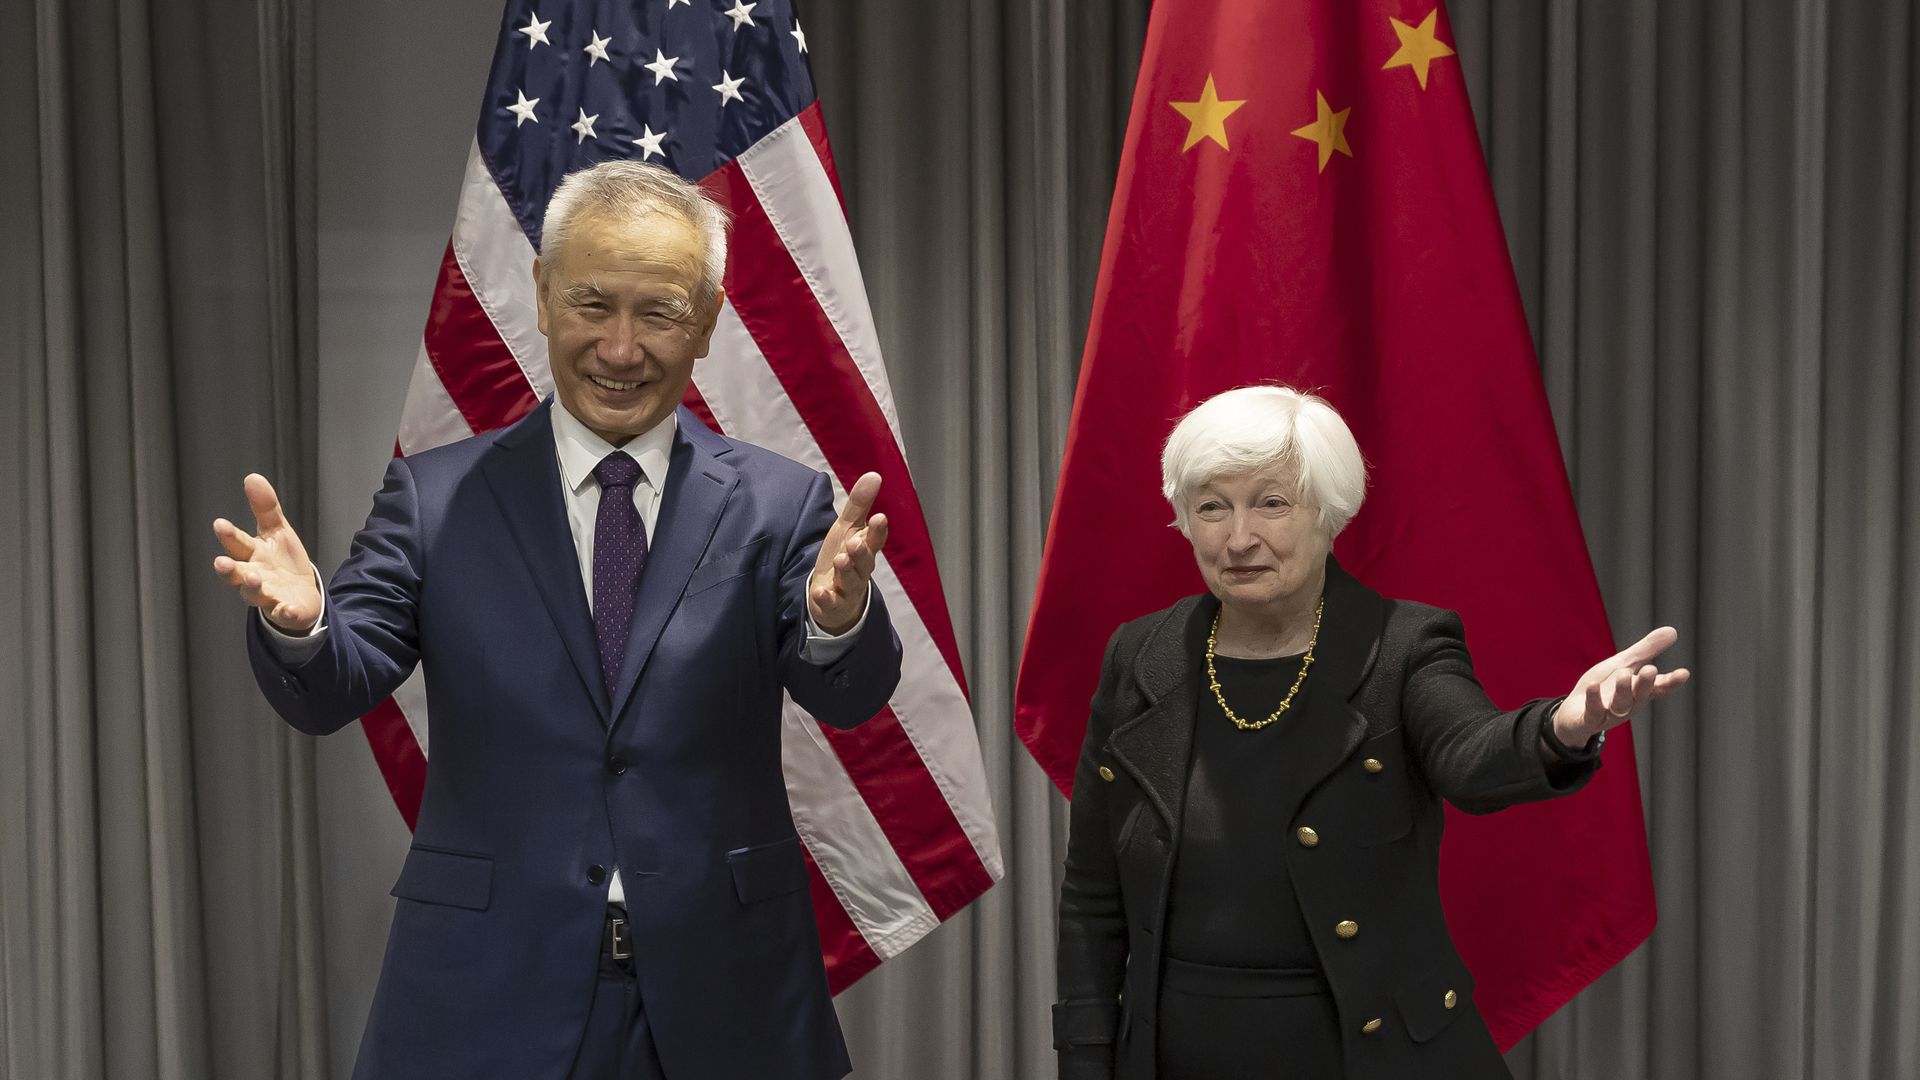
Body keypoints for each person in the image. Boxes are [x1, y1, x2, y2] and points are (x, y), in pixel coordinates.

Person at [212, 160, 901, 1080]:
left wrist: (839, 621)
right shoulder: (435, 497)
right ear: (540, 298)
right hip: (486, 992)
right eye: (591, 304)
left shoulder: (781, 504)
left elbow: (846, 695)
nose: (621, 348)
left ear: (706, 321)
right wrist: (301, 627)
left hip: (726, 997)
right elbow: (335, 684)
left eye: (657, 312)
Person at [1051, 385, 1689, 1080]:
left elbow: (1471, 756)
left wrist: (1562, 729)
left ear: (1328, 513)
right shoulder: (1141, 657)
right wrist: (1085, 1060)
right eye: (1211, 506)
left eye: (1271, 503)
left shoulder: (1404, 645)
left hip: (1369, 1053)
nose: (1238, 538)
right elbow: (1092, 892)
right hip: (1176, 1054)